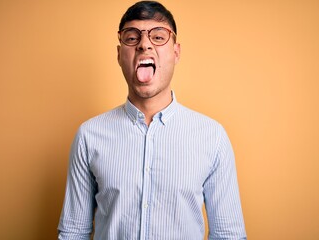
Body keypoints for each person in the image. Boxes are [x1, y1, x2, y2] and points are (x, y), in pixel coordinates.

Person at [58, 1, 247, 239]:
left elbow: (228, 234)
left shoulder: (212, 137)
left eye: (158, 37)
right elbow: (73, 232)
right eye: (131, 37)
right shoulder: (89, 136)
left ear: (176, 52)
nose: (144, 44)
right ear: (119, 54)